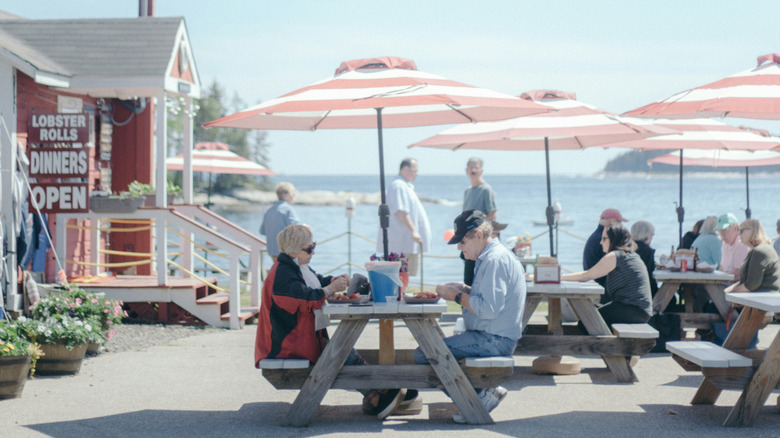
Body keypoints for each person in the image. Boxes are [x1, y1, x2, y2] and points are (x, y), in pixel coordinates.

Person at [255, 224, 411, 420]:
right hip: (287, 345)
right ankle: (382, 390)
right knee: (340, 352)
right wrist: (330, 289)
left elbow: (316, 281)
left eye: (314, 246)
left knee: (342, 351)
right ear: (293, 249)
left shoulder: (294, 266)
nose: (313, 252)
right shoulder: (282, 275)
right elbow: (307, 300)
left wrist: (333, 280)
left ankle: (378, 392)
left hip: (300, 338)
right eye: (309, 249)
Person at [414, 210, 525, 423]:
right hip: (495, 336)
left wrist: (456, 296)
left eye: (463, 241)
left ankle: (478, 397)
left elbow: (489, 309)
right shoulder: (492, 256)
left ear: (479, 235)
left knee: (424, 353)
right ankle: (480, 393)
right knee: (431, 350)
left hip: (494, 339)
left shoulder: (493, 260)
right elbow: (490, 299)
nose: (459, 247)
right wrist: (466, 289)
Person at [564, 223, 652, 328]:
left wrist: (560, 277)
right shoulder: (631, 255)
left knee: (586, 323)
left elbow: (587, 275)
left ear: (614, 240)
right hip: (640, 311)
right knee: (589, 319)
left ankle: (603, 345)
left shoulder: (615, 255)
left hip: (633, 309)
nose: (601, 242)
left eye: (604, 239)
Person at [379, 158, 430, 276]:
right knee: (402, 276)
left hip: (406, 244)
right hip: (403, 243)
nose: (417, 174)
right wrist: (414, 231)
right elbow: (401, 212)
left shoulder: (404, 186)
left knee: (405, 276)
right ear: (406, 169)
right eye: (415, 170)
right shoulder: (399, 186)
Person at [461, 157, 497, 285]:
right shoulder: (467, 191)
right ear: (466, 170)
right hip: (467, 242)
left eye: (476, 167)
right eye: (471, 167)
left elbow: (492, 215)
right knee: (468, 280)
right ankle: (466, 305)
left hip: (479, 244)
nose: (473, 170)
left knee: (479, 281)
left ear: (481, 170)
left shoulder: (486, 189)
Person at [725, 219, 780, 293]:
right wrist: (726, 292)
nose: (738, 234)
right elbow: (744, 282)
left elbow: (751, 285)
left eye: (741, 230)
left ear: (753, 231)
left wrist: (728, 294)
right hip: (758, 297)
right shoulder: (758, 250)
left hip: (763, 300)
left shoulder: (760, 251)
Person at [583, 208, 628, 289]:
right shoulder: (605, 239)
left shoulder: (596, 236)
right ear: (609, 222)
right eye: (619, 222)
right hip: (601, 286)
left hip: (593, 282)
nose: (621, 225)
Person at [259, 182, 300, 261]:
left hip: (272, 251)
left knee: (278, 271)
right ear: (288, 195)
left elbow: (262, 231)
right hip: (287, 252)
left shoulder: (269, 210)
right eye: (293, 194)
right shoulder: (288, 210)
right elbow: (298, 230)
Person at [717, 213, 750, 282]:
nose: (721, 234)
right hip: (726, 281)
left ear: (735, 228)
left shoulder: (741, 244)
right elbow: (722, 268)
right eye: (719, 231)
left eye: (724, 230)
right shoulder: (725, 243)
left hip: (735, 283)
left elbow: (737, 274)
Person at [631, 220, 658, 297]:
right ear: (647, 236)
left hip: (628, 292)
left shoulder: (626, 248)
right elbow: (649, 277)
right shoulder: (647, 251)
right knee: (672, 299)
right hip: (645, 293)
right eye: (652, 234)